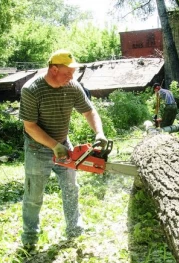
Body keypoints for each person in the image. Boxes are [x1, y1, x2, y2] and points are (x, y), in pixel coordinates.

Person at [19, 49, 107, 249]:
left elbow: (89, 111)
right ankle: (30, 237)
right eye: (67, 73)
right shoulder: (31, 89)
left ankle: (74, 229)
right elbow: (29, 126)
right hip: (36, 148)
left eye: (73, 73)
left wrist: (99, 133)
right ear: (54, 69)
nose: (71, 77)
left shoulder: (72, 86)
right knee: (34, 195)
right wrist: (53, 146)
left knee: (71, 188)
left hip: (63, 144)